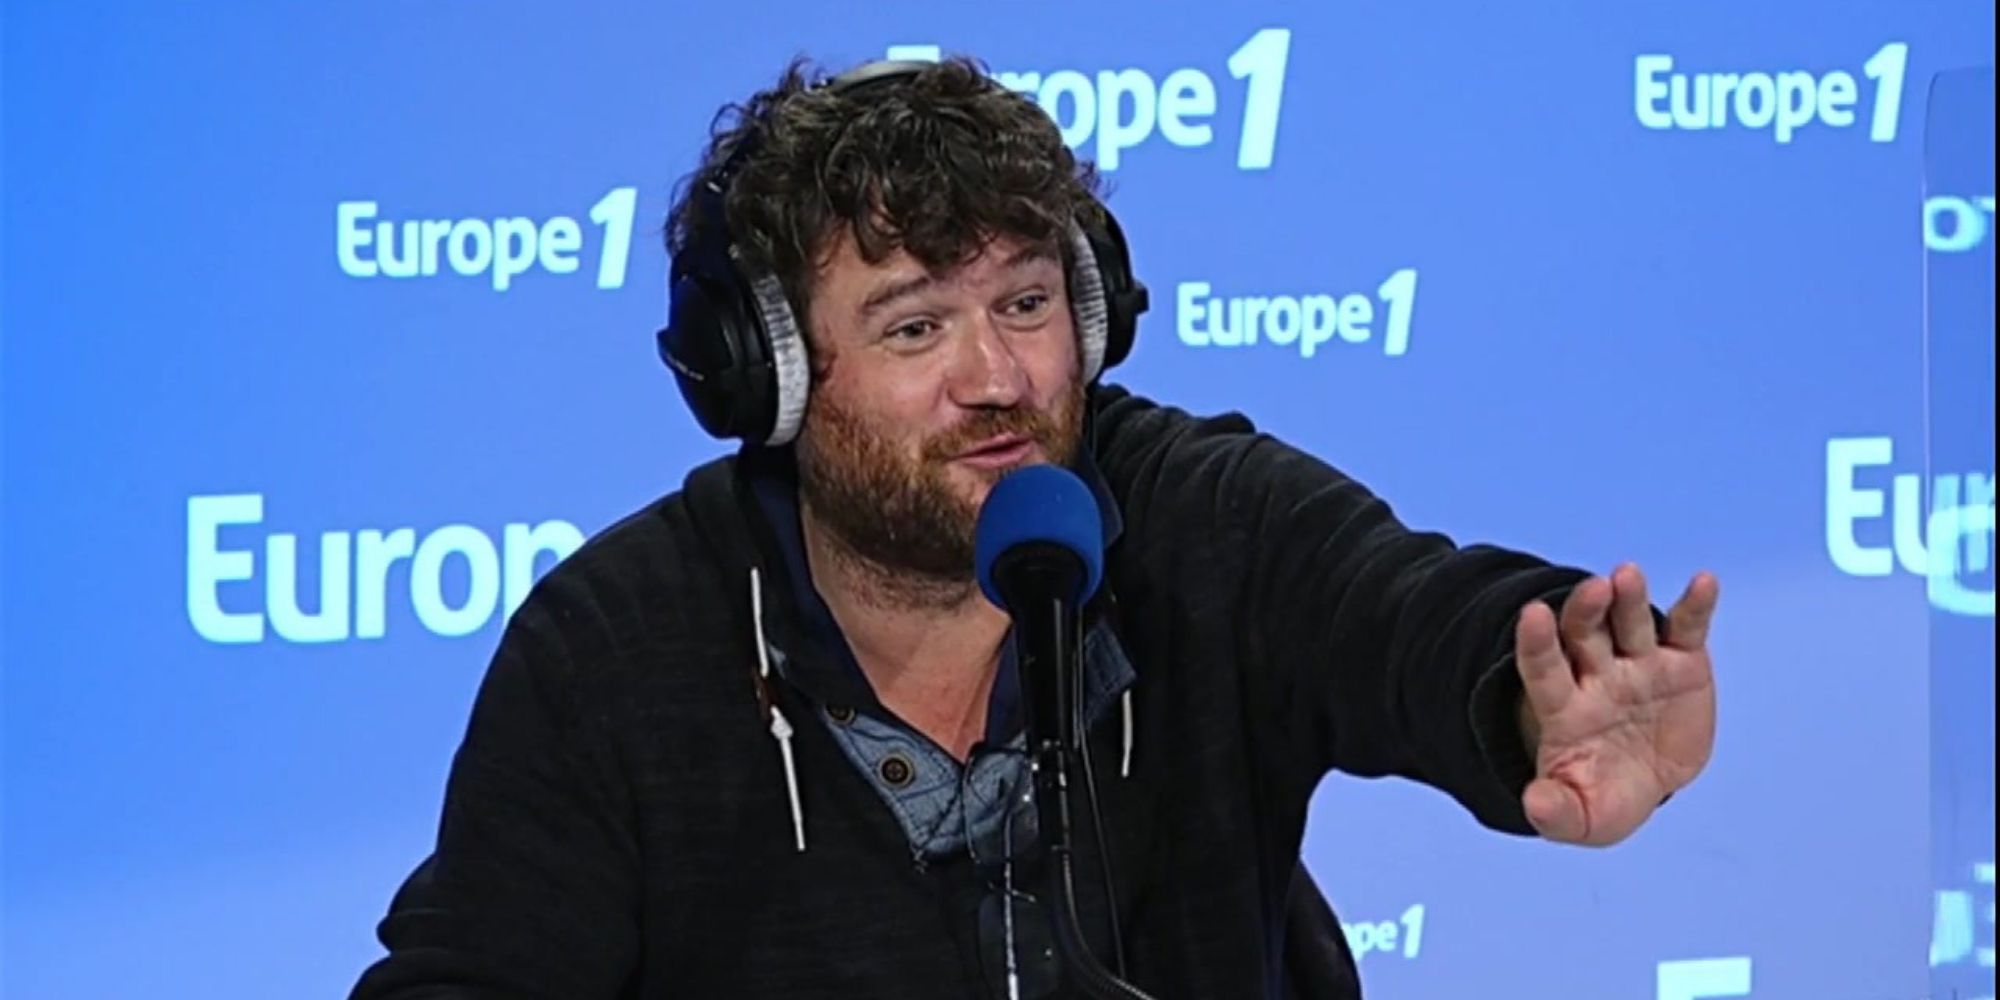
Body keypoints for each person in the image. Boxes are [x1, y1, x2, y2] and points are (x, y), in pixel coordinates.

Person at [349, 54, 1720, 1000]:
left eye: (1024, 304)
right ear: (767, 379)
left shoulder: (1196, 520)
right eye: (915, 328)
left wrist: (1541, 694)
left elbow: (1399, 611)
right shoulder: (621, 646)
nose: (996, 377)